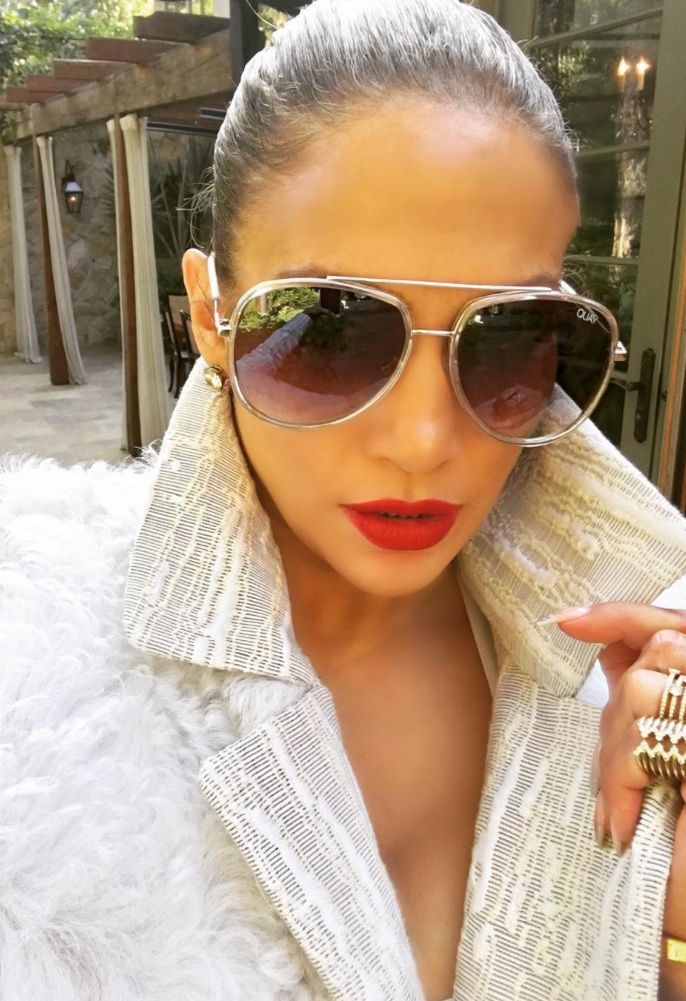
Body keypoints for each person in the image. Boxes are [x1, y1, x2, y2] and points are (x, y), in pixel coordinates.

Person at [2, 2, 686, 1000]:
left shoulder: (633, 668)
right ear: (210, 316)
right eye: (327, 330)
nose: (422, 440)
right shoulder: (31, 689)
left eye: (506, 337)